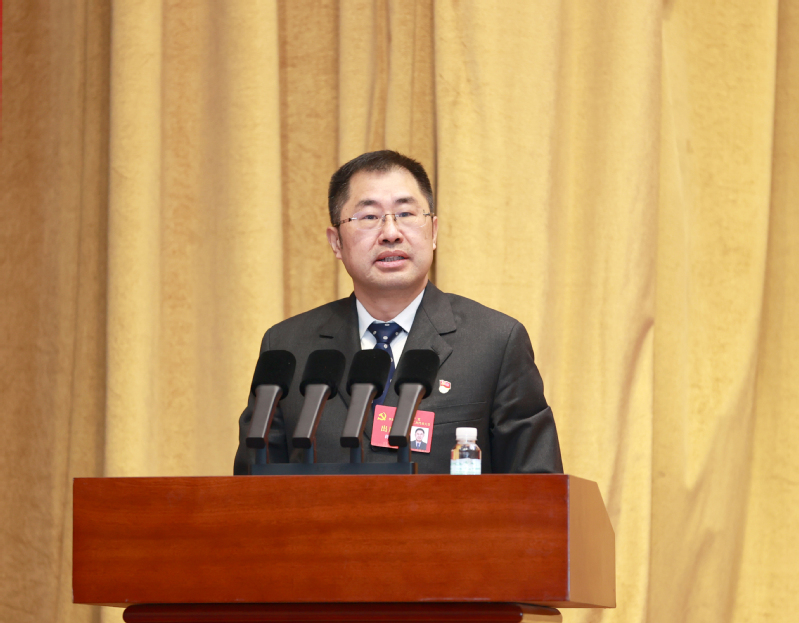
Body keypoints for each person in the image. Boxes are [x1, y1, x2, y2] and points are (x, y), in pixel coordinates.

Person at [234, 150, 563, 475]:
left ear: (433, 232)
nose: (391, 233)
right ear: (336, 243)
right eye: (368, 217)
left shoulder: (494, 342)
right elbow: (250, 487)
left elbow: (537, 487)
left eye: (406, 213)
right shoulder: (288, 347)